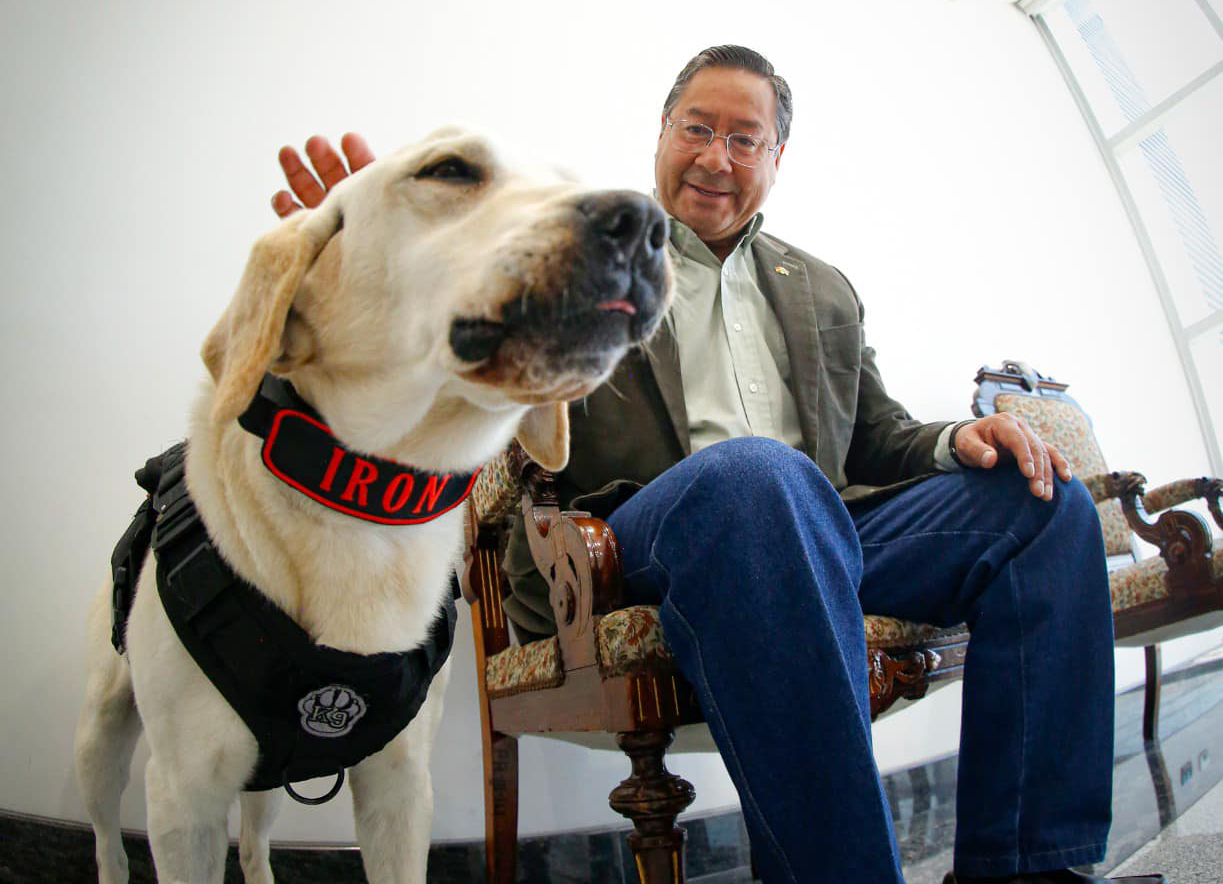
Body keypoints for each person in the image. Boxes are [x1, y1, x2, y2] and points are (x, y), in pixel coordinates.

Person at [271, 45, 1164, 884]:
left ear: (777, 156)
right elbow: (473, 348)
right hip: (640, 540)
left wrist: (954, 442)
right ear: (661, 136)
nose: (715, 155)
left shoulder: (820, 287)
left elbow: (875, 432)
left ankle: (1032, 866)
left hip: (824, 525)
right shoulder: (587, 252)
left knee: (1046, 506)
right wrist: (382, 254)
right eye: (696, 128)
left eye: (744, 138)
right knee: (754, 477)